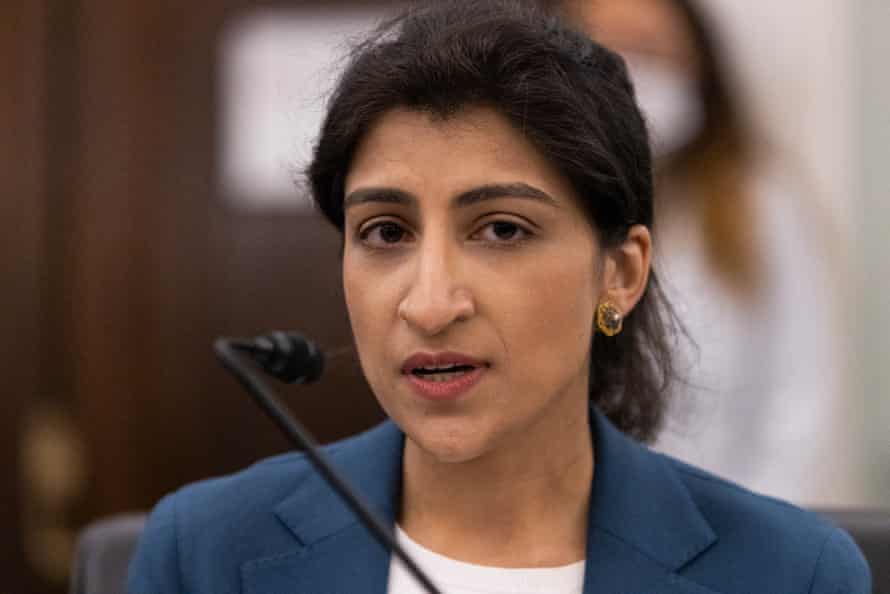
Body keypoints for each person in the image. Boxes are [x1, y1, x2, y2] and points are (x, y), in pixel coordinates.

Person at [127, 2, 870, 593]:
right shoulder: (205, 552)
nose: (430, 302)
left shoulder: (791, 574)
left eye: (503, 229)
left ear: (621, 273)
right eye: (385, 232)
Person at [548, 0, 864, 506]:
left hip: (737, 534)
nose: (632, 75)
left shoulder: (759, 205)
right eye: (607, 54)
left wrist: (750, 538)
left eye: (652, 52)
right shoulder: (532, 207)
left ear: (702, 67)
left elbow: (803, 401)